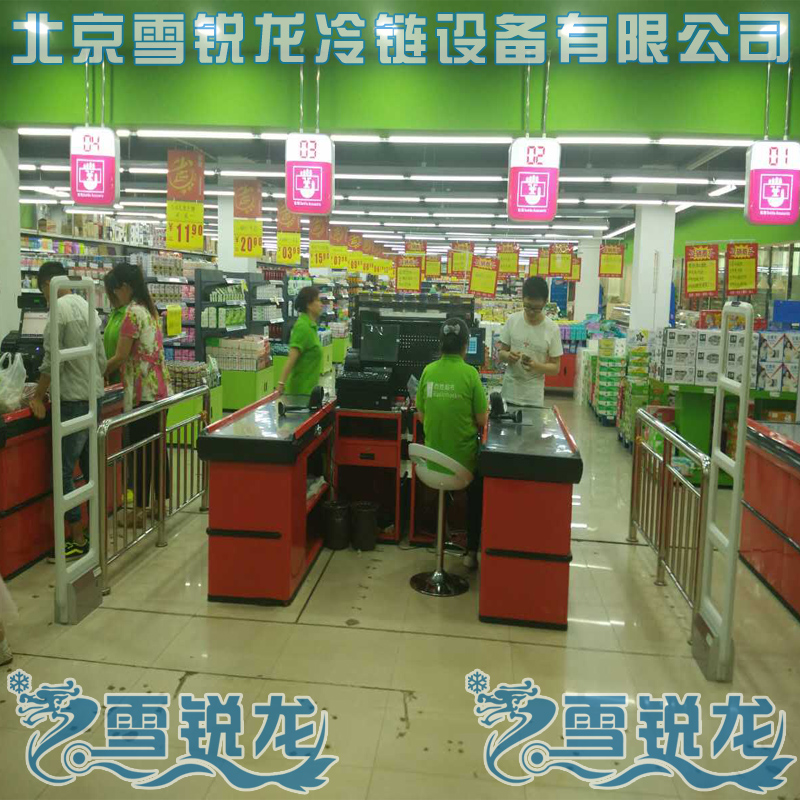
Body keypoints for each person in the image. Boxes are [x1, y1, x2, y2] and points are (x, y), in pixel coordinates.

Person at [30, 261, 107, 561]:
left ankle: (76, 537)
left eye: (42, 291)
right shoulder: (87, 306)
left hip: (73, 400)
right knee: (90, 468)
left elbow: (50, 362)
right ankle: (95, 532)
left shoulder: (57, 312)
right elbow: (101, 359)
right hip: (94, 396)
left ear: (47, 285)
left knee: (62, 471)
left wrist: (37, 396)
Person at [416, 318, 489, 570]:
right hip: (462, 468)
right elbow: (482, 420)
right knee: (479, 488)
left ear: (440, 343)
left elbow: (421, 414)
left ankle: (438, 535)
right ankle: (471, 550)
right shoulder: (471, 374)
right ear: (466, 346)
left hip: (430, 465)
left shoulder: (428, 371)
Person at [104, 263, 172, 518]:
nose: (115, 296)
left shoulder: (132, 313)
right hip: (160, 388)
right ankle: (159, 506)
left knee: (141, 452)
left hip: (143, 392)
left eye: (115, 291)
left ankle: (140, 510)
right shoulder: (149, 309)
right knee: (157, 450)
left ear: (124, 287)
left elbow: (121, 356)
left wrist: (98, 369)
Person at [498, 276, 563, 408]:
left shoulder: (552, 329)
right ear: (522, 299)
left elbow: (555, 368)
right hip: (509, 393)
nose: (531, 312)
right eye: (527, 306)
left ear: (545, 302)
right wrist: (508, 356)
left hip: (533, 398)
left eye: (536, 308)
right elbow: (501, 353)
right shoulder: (512, 320)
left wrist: (536, 366)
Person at [277, 286, 323, 397]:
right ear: (308, 304)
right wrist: (281, 384)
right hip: (300, 393)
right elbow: (291, 359)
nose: (321, 304)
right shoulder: (302, 327)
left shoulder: (311, 326)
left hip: (309, 391)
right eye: (318, 300)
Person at [103, 271, 129, 385]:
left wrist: (102, 371)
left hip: (125, 380)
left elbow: (122, 356)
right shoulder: (115, 313)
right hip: (112, 379)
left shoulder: (129, 314)